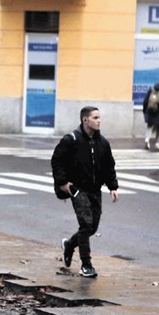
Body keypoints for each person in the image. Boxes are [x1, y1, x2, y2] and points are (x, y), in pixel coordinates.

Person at [51, 106, 119, 278]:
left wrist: (113, 186)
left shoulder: (103, 142)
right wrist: (63, 182)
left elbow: (109, 165)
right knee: (86, 224)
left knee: (92, 227)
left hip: (95, 189)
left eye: (99, 117)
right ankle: (86, 265)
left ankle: (69, 244)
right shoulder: (71, 140)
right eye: (95, 118)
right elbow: (57, 161)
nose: (99, 121)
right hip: (77, 189)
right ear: (85, 120)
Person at [142, 76, 159, 150]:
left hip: (150, 111)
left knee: (149, 125)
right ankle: (157, 143)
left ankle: (147, 140)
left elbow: (145, 101)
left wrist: (145, 111)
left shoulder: (152, 88)